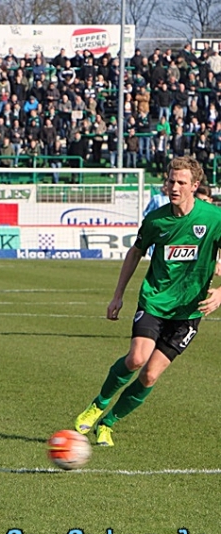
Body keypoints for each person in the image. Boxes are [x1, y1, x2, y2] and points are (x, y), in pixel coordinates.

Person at [74, 156, 221, 447]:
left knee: (151, 374)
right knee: (136, 358)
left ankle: (108, 423)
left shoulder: (213, 218)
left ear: (195, 186)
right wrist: (118, 295)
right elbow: (135, 252)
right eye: (171, 181)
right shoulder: (156, 220)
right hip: (155, 300)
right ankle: (97, 404)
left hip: (189, 311)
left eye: (181, 182)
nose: (174, 187)